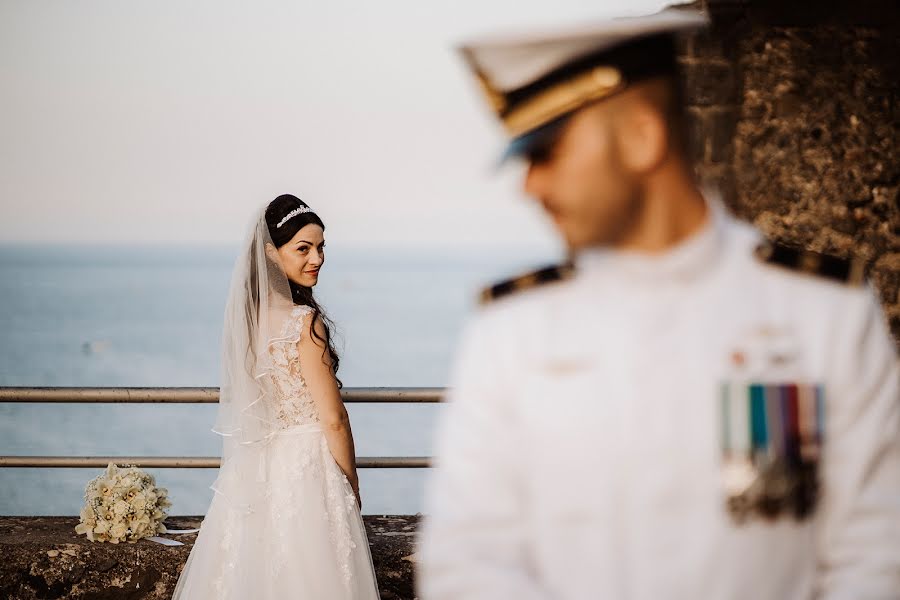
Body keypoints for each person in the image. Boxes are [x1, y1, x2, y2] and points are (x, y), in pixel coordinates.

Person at [418, 9, 900, 599]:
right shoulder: (512, 333)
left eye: (547, 151)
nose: (530, 186)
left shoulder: (826, 315)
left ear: (642, 138)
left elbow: (873, 553)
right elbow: (467, 560)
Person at [173, 194, 379, 599]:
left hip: (257, 467)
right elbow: (333, 420)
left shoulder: (247, 319)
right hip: (308, 469)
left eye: (320, 247)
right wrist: (351, 487)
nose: (316, 258)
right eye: (303, 248)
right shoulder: (305, 323)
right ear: (271, 253)